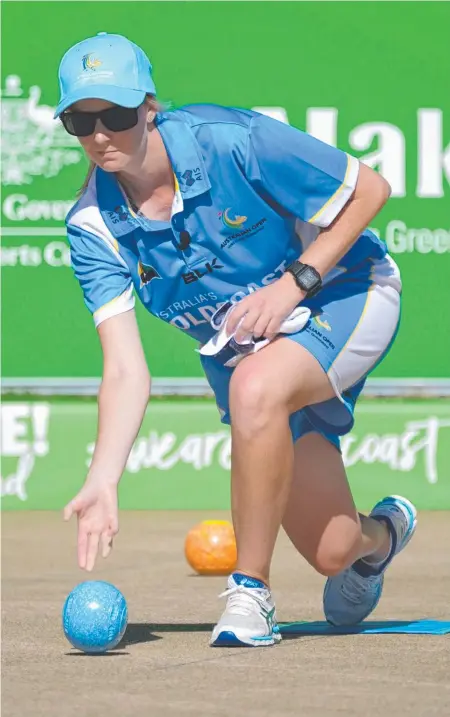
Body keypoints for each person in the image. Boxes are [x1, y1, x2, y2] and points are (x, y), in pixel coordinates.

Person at [57, 32, 417, 648]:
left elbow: (371, 189)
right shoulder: (92, 227)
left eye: (115, 115)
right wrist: (104, 477)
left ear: (149, 108)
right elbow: (124, 370)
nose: (99, 135)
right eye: (79, 120)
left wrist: (295, 283)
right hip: (248, 348)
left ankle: (250, 594)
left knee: (255, 388)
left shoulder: (233, 140)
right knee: (332, 549)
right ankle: (381, 538)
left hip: (346, 289)